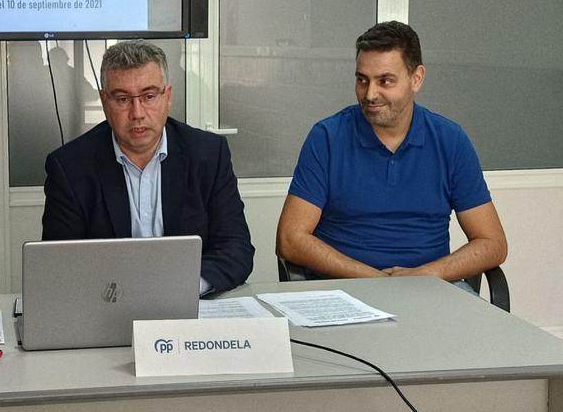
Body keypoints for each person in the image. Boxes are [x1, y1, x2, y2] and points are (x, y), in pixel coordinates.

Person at [276, 21, 507, 287]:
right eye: (362, 80)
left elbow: (493, 243)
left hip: (430, 288)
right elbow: (290, 240)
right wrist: (378, 281)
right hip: (343, 289)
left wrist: (425, 275)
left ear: (416, 79)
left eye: (385, 81)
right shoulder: (327, 137)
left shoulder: (450, 140)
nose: (370, 94)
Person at [42, 40, 254, 295]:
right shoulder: (69, 167)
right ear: (105, 101)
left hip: (188, 302)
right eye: (122, 99)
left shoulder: (208, 154)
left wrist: (186, 288)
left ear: (168, 97)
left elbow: (236, 248)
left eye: (149, 96)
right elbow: (60, 264)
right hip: (107, 304)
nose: (137, 113)